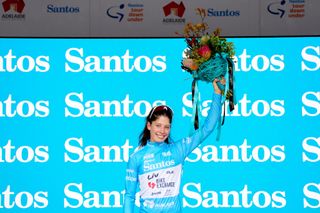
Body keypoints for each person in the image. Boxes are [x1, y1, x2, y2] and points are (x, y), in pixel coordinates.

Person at [124, 78, 225, 213]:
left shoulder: (179, 149)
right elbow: (129, 196)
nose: (162, 131)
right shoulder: (137, 158)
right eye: (158, 126)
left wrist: (217, 93)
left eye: (167, 127)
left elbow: (208, 128)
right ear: (149, 125)